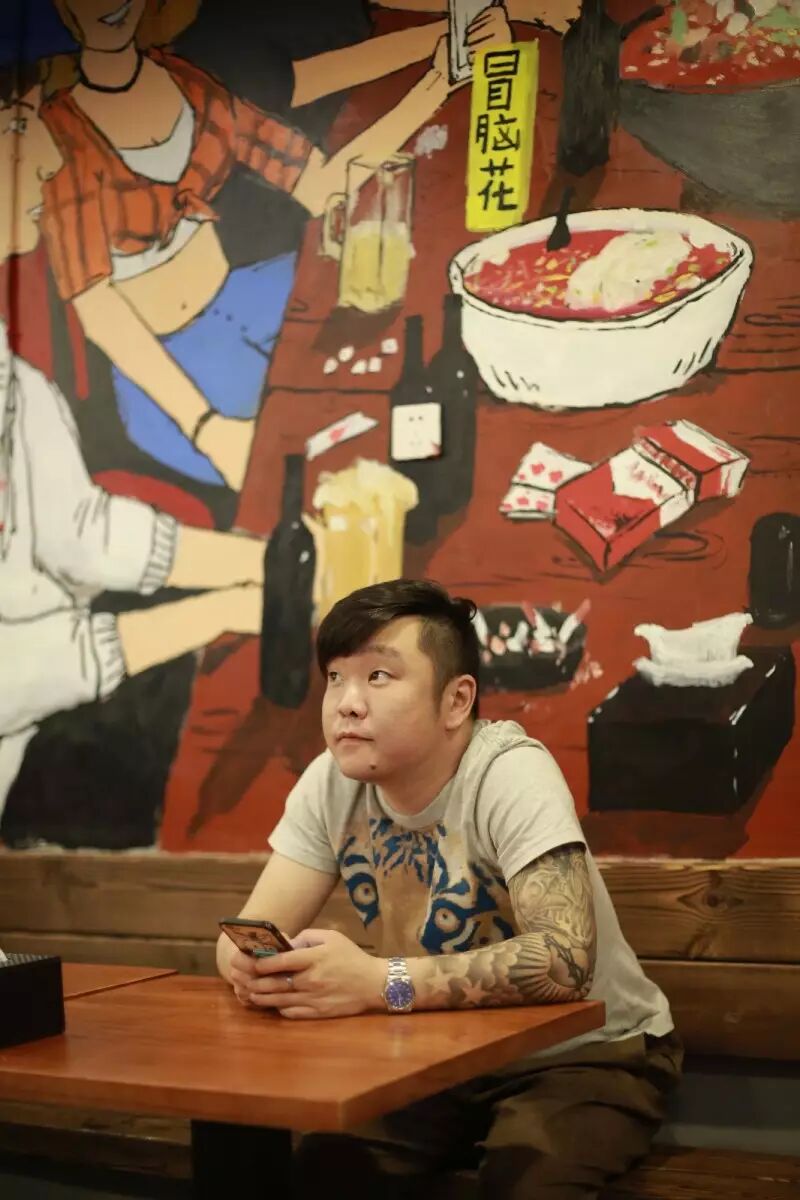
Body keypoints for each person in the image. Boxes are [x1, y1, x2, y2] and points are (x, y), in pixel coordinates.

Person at [216, 578, 683, 1198]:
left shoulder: (509, 771)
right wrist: (251, 968)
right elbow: (248, 931)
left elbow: (565, 962)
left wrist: (377, 982)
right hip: (435, 1055)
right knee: (325, 1172)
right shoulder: (332, 781)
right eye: (335, 677)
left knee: (525, 1186)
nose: (346, 704)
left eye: (378, 676)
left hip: (587, 1053)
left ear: (456, 700)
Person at [39, 0, 511, 496]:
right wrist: (206, 428)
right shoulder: (58, 136)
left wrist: (438, 81)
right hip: (174, 368)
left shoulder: (186, 81)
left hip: (250, 296)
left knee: (411, 328)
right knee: (323, 448)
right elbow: (97, 308)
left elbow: (322, 185)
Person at [0, 65, 266, 846]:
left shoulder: (15, 379)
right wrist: (222, 607)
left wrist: (264, 563)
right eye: (20, 127)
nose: (50, 161)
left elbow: (79, 530)